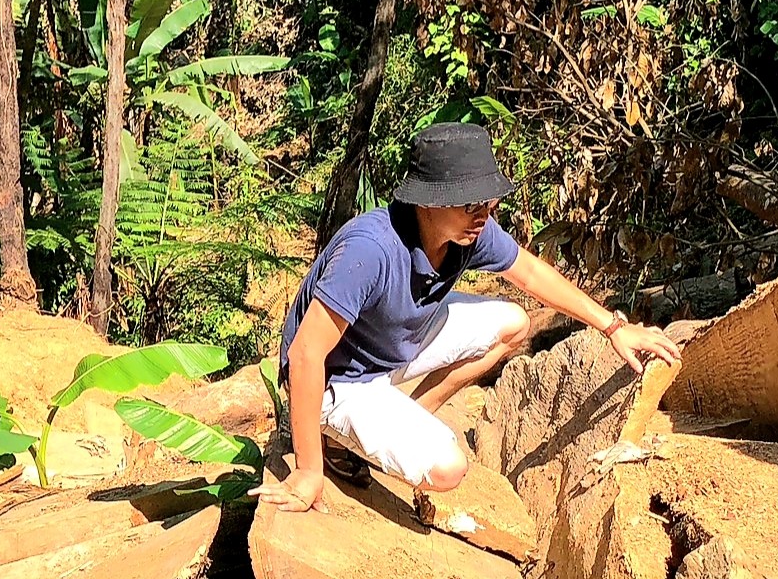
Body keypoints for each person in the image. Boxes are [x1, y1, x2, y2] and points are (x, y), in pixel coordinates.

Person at [256, 122, 680, 514]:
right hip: (341, 381)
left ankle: (403, 416)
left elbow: (530, 274)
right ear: (427, 200)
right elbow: (307, 352)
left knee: (514, 323)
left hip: (393, 347)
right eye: (471, 203)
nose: (484, 213)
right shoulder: (370, 250)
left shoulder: (468, 230)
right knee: (447, 469)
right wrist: (308, 471)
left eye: (490, 201)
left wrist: (613, 327)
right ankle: (334, 438)